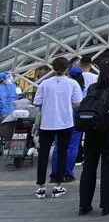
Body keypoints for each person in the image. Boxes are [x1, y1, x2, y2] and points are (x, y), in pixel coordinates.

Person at [34, 57, 83, 199]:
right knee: (62, 153)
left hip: (47, 123)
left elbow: (38, 101)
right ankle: (57, 186)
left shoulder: (45, 84)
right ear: (67, 68)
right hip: (65, 122)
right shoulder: (72, 83)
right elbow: (77, 102)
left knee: (43, 154)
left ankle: (41, 187)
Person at [79, 59, 109, 216]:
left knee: (89, 167)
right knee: (108, 168)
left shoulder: (91, 88)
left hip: (91, 130)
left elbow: (82, 105)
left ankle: (84, 204)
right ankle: (107, 205)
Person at [50, 65, 85, 182]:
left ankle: (55, 174)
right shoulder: (80, 87)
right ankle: (68, 173)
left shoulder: (60, 85)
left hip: (59, 120)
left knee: (58, 146)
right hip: (75, 121)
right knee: (72, 147)